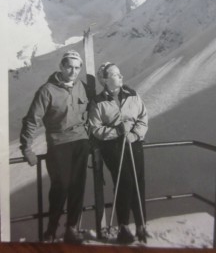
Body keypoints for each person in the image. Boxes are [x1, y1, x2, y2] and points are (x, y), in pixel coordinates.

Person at [20, 50, 90, 243]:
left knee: (77, 186)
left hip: (81, 142)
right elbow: (31, 120)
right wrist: (27, 149)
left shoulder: (82, 87)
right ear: (61, 66)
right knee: (61, 187)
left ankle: (72, 229)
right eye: (69, 66)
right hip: (59, 144)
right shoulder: (47, 90)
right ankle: (50, 230)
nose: (73, 71)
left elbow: (90, 111)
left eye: (77, 68)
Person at [88, 62, 149, 244]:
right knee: (125, 182)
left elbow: (143, 116)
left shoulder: (132, 94)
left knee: (139, 181)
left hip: (134, 142)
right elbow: (95, 129)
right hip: (113, 147)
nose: (120, 76)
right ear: (105, 80)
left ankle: (141, 225)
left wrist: (136, 133)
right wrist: (117, 132)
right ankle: (123, 226)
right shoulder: (98, 102)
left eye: (120, 73)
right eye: (115, 74)